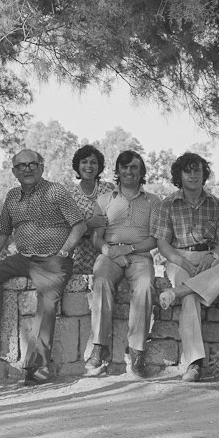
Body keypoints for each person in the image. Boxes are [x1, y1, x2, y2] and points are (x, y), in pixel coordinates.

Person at [0, 149, 87, 386]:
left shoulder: (56, 191)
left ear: (42, 167)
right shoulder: (12, 196)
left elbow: (80, 225)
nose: (27, 169)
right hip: (23, 258)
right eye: (21, 166)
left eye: (32, 164)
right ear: (14, 172)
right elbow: (2, 233)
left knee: (48, 303)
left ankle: (37, 367)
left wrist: (64, 252)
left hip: (53, 260)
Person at [152, 152, 219, 382]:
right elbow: (162, 244)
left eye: (197, 170)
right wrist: (182, 262)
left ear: (204, 174)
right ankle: (194, 364)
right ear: (180, 175)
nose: (193, 175)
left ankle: (176, 293)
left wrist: (212, 255)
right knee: (191, 298)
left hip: (208, 257)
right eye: (188, 171)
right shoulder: (167, 204)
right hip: (178, 257)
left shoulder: (216, 204)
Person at [85, 150, 160, 378]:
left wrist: (129, 249)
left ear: (142, 172)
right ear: (117, 171)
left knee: (146, 286)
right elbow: (96, 238)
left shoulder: (154, 201)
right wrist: (112, 252)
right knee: (101, 281)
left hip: (139, 255)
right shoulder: (104, 200)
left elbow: (155, 239)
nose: (129, 171)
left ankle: (137, 351)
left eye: (134, 167)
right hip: (109, 254)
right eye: (124, 167)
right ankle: (100, 348)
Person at [68, 145, 114, 274]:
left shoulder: (109, 189)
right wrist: (89, 224)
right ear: (77, 165)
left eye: (93, 162)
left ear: (99, 167)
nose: (89, 166)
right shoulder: (71, 196)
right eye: (84, 162)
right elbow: (66, 231)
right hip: (81, 256)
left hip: (107, 254)